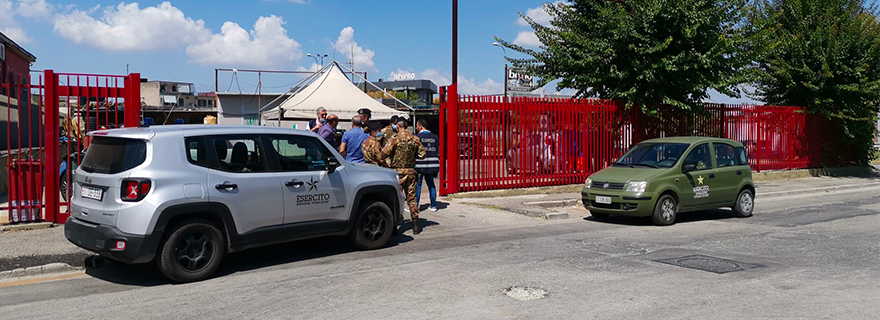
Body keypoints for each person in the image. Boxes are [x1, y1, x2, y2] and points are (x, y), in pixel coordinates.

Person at [382, 119, 427, 234]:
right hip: (411, 172)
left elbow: (384, 153)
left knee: (396, 199)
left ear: (397, 126)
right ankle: (415, 225)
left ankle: (395, 227)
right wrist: (413, 155)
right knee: (412, 199)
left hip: (398, 173)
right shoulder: (414, 139)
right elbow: (423, 154)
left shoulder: (394, 139)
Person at [415, 119, 440, 212]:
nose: (416, 128)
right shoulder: (435, 137)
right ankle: (433, 205)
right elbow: (437, 150)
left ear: (420, 126)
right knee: (431, 185)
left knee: (417, 185)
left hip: (420, 165)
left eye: (417, 126)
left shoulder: (417, 137)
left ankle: (415, 206)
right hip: (432, 165)